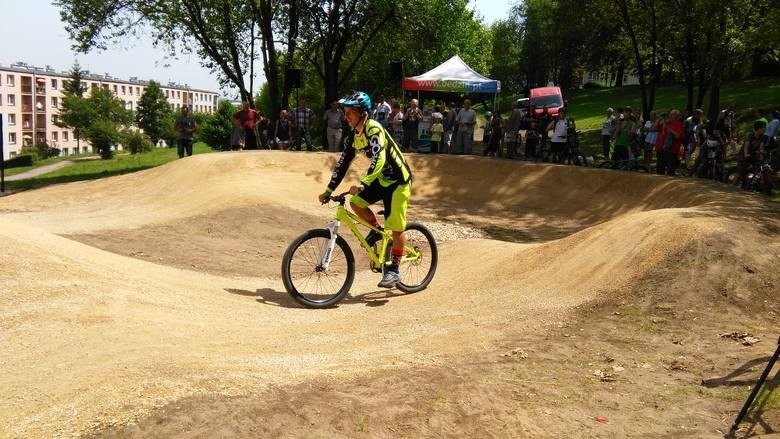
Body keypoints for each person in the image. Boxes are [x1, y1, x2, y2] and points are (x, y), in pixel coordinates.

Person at [318, 91, 412, 288]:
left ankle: (394, 270)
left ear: (362, 112)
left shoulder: (374, 129)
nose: (346, 116)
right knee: (356, 203)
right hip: (381, 179)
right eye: (345, 112)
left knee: (396, 226)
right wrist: (329, 190)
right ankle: (377, 231)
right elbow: (342, 163)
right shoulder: (353, 136)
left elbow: (380, 158)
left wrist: (364, 183)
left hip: (398, 181)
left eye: (350, 112)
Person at [739, 120, 767, 188]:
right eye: (764, 128)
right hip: (744, 155)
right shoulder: (750, 135)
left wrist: (761, 158)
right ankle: (732, 186)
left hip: (753, 155)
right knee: (741, 172)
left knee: (757, 169)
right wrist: (746, 155)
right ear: (759, 128)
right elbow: (746, 147)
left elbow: (761, 148)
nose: (765, 129)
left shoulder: (762, 136)